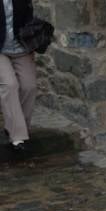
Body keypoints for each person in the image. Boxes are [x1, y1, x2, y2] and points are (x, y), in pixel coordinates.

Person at [0, 0, 37, 152]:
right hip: (0, 50)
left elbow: (29, 20)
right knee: (9, 85)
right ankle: (18, 136)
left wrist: (33, 42)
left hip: (20, 48)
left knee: (30, 86)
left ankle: (19, 126)